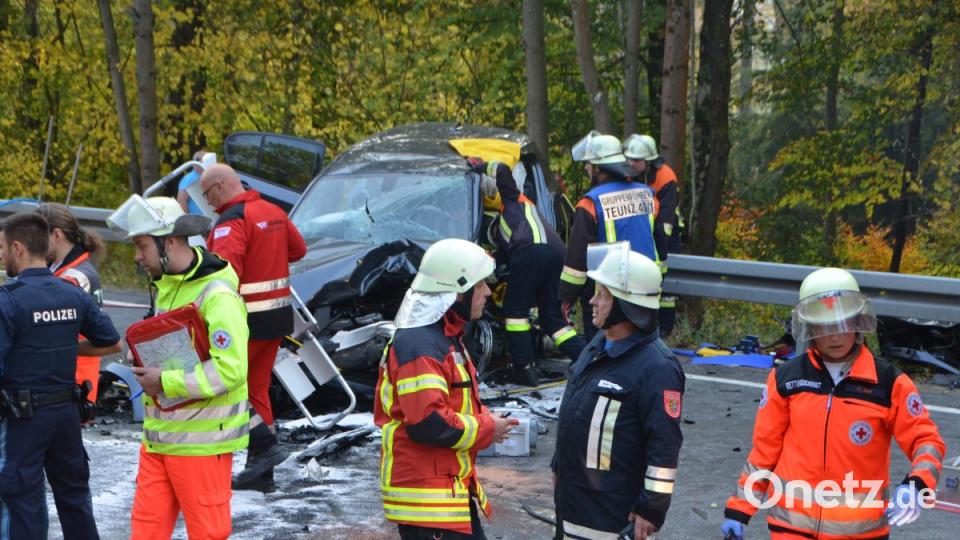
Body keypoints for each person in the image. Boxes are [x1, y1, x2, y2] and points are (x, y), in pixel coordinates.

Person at [721, 267, 946, 540]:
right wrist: (739, 510)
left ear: (858, 321)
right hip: (791, 530)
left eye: (843, 323)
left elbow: (926, 441)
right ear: (809, 326)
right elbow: (764, 452)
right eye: (825, 326)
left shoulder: (887, 382)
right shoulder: (786, 378)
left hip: (861, 534)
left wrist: (918, 484)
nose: (836, 336)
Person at [108, 195, 250, 540]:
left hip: (201, 446)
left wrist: (165, 381)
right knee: (145, 533)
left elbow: (231, 370)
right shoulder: (167, 288)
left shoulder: (217, 296)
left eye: (142, 246)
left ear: (168, 242)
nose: (137, 256)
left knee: (207, 534)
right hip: (159, 442)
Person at [374, 238, 518, 539]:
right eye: (480, 285)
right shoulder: (421, 345)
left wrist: (489, 421)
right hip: (430, 505)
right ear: (458, 290)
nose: (488, 292)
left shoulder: (441, 338)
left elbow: (452, 405)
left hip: (442, 494)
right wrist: (487, 427)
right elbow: (429, 423)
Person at [0, 212, 121, 540]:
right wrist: (66, 345)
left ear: (18, 248)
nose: (1, 256)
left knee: (22, 500)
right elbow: (111, 341)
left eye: (1, 249)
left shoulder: (9, 300)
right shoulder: (71, 293)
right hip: (66, 416)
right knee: (74, 499)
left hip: (24, 418)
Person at [553, 241, 684, 540]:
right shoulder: (598, 346)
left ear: (627, 304)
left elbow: (664, 446)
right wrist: (558, 463)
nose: (592, 302)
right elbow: (575, 413)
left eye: (602, 295)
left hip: (610, 519)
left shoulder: (657, 368)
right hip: (572, 509)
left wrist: (651, 508)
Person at [200, 163, 306, 491]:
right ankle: (263, 474)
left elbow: (222, 272)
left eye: (206, 194)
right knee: (255, 389)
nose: (207, 201)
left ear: (219, 186)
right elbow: (299, 250)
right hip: (277, 320)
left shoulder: (231, 221)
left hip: (245, 322)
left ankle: (264, 447)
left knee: (228, 387)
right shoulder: (273, 211)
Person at [467, 158, 587, 386]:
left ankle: (525, 368)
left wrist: (480, 166)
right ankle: (585, 360)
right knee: (553, 320)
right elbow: (502, 263)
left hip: (532, 251)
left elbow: (501, 169)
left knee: (515, 312)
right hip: (556, 255)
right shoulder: (517, 222)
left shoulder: (513, 200)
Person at [560, 131, 658, 342]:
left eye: (589, 163)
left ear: (599, 168)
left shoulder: (590, 203)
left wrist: (566, 298)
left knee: (604, 355)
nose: (586, 168)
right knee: (640, 347)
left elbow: (576, 266)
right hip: (645, 286)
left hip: (608, 293)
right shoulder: (646, 194)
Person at [36, 202, 107, 406]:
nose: (35, 244)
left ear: (56, 235)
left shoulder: (74, 277)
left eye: (39, 238)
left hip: (71, 381)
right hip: (67, 380)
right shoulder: (68, 269)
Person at [623, 134, 682, 337]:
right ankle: (641, 328)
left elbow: (666, 219)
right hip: (641, 233)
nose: (631, 163)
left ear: (649, 161)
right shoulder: (629, 176)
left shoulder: (666, 177)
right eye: (629, 159)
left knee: (664, 290)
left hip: (666, 236)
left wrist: (659, 245)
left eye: (636, 160)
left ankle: (664, 330)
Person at [177, 150, 207, 215]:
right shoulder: (188, 179)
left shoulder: (210, 175)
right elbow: (181, 201)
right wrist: (189, 219)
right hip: (196, 221)